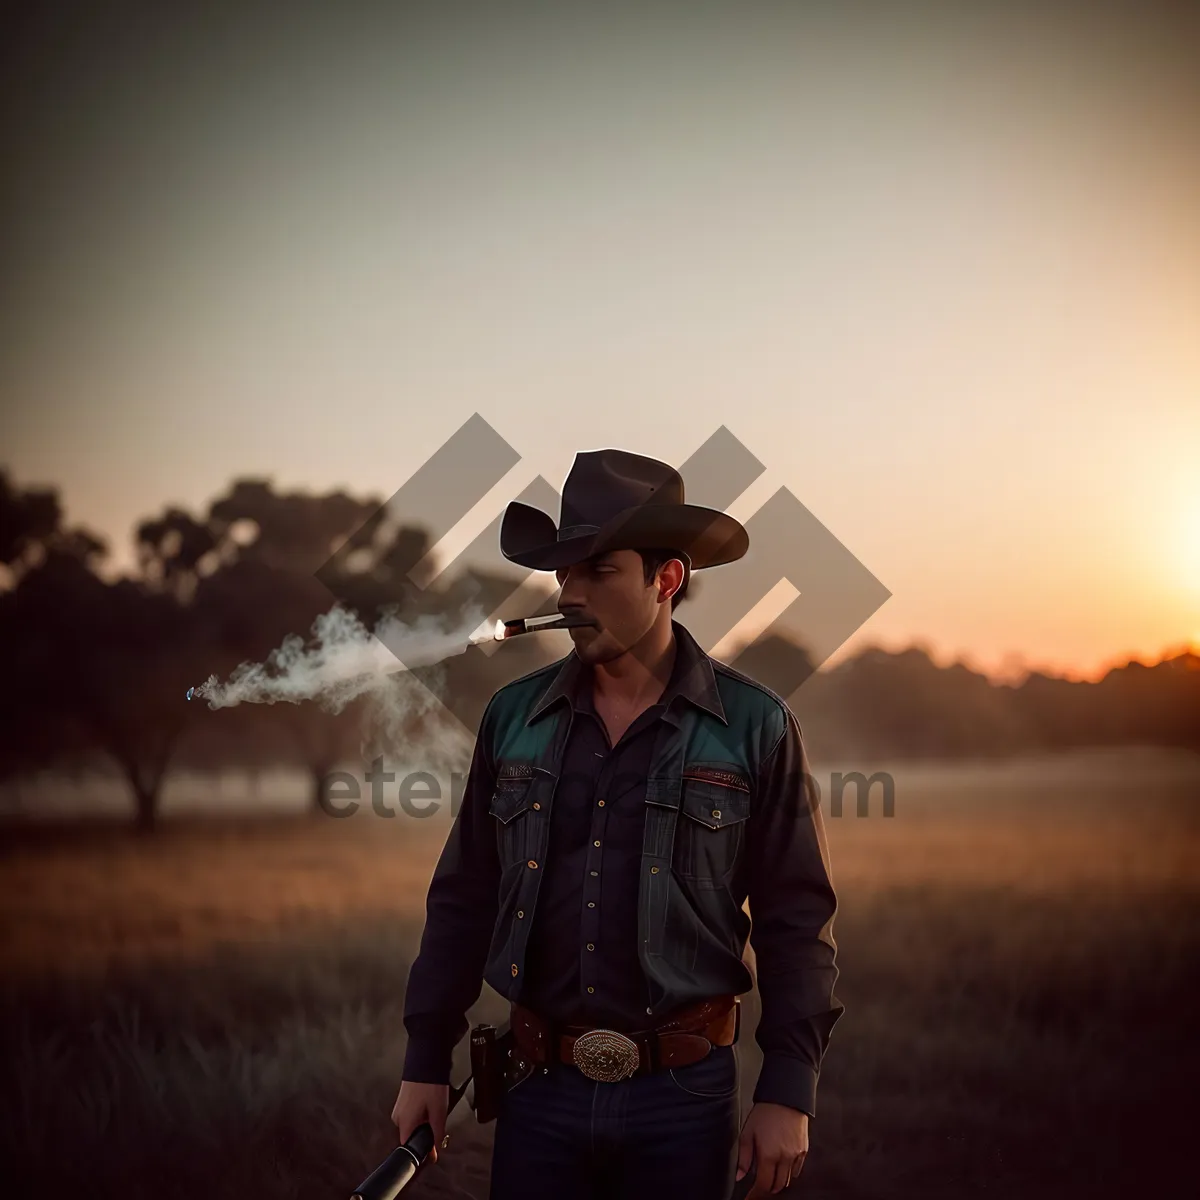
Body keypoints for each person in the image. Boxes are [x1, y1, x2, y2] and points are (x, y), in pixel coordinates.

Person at [391, 448, 843, 1198]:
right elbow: (464, 896)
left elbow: (797, 917)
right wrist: (424, 1059)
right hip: (538, 1090)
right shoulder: (514, 717)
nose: (570, 593)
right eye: (564, 573)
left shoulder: (755, 726)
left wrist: (789, 1087)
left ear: (667, 580)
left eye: (598, 571)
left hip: (685, 1098)